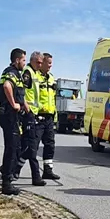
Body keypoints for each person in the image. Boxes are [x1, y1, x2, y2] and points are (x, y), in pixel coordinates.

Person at [0, 48, 27, 195]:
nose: (24, 63)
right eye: (23, 60)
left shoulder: (17, 75)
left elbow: (21, 96)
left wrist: (27, 110)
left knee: (17, 147)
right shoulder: (11, 72)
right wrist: (14, 104)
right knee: (12, 148)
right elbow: (7, 86)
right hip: (9, 115)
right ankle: (6, 183)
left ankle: (6, 171)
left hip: (15, 117)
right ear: (17, 60)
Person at [13, 51, 46, 186]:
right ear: (32, 61)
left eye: (41, 62)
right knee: (31, 147)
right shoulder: (27, 72)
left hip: (34, 114)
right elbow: (22, 92)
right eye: (38, 62)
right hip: (28, 114)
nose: (40, 65)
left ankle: (13, 169)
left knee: (28, 146)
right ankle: (35, 177)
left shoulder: (36, 73)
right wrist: (25, 106)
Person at [36, 52, 60, 180]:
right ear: (43, 62)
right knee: (31, 146)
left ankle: (48, 170)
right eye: (49, 63)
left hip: (50, 117)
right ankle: (13, 169)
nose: (51, 65)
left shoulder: (51, 77)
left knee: (50, 144)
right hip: (38, 116)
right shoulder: (36, 77)